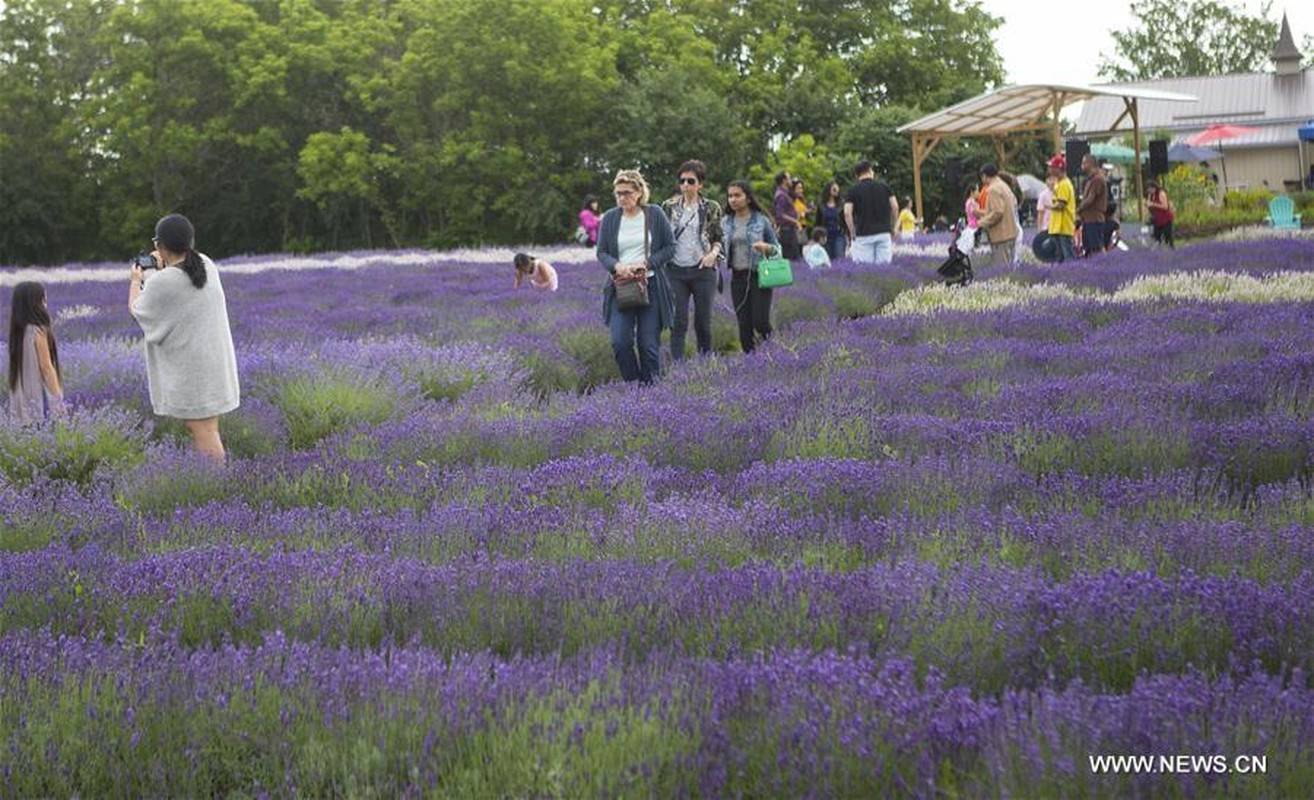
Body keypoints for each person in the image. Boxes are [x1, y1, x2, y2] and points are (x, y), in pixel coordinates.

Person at [129, 213, 240, 461]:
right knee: (207, 427)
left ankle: (218, 486)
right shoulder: (206, 265)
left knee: (202, 429)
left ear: (159, 246)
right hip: (213, 361)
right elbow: (180, 279)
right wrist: (163, 265)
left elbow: (137, 309)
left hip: (195, 369)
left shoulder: (164, 281)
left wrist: (137, 280)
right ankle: (217, 482)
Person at [596, 169, 675, 384]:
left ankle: (651, 393)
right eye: (618, 193)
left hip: (651, 285)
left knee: (648, 346)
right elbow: (601, 252)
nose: (622, 198)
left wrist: (647, 263)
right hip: (621, 287)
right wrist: (617, 265)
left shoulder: (654, 214)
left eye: (627, 193)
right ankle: (635, 390)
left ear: (639, 192)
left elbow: (670, 248)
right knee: (620, 343)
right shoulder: (611, 218)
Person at [660, 159, 724, 360]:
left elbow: (718, 238)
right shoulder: (668, 207)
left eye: (691, 181)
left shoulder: (711, 207)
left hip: (702, 270)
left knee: (703, 322)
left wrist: (712, 255)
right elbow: (661, 236)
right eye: (682, 181)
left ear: (700, 184)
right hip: (676, 270)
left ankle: (705, 363)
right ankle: (677, 366)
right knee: (678, 322)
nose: (686, 185)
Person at [722, 180, 780, 354]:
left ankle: (775, 355)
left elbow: (777, 249)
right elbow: (717, 246)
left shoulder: (761, 221)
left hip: (759, 275)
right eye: (730, 196)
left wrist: (767, 248)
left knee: (760, 322)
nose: (733, 199)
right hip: (737, 278)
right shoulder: (725, 222)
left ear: (748, 198)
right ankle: (752, 364)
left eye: (737, 195)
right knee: (744, 326)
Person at [7, 281, 64, 423]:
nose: (45, 304)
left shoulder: (17, 333)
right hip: (38, 394)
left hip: (20, 396)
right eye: (43, 299)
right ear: (35, 304)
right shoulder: (38, 331)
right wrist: (58, 398)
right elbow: (46, 367)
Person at [843, 160, 898, 264]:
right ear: (870, 171)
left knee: (865, 272)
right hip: (883, 233)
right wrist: (893, 227)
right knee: (884, 269)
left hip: (863, 235)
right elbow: (895, 207)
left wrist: (852, 232)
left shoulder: (853, 191)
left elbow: (847, 213)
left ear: (857, 175)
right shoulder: (884, 187)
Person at [976, 164, 1020, 267]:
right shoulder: (1003, 185)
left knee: (1001, 269)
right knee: (1008, 266)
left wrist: (981, 223)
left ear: (985, 176)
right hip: (1010, 233)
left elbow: (998, 212)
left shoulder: (993, 189)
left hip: (1001, 235)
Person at [1046, 155, 1077, 262]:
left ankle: (1072, 276)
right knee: (1060, 256)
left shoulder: (1064, 184)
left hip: (1063, 226)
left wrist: (1049, 207)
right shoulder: (1059, 183)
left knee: (1067, 256)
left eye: (1052, 167)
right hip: (1058, 227)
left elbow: (1061, 205)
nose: (1049, 169)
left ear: (1058, 169)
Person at [1076, 154, 1108, 257]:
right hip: (1088, 219)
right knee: (1089, 248)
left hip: (1094, 219)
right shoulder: (1091, 179)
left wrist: (1078, 210)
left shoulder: (1097, 179)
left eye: (1084, 163)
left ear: (1090, 164)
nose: (1082, 166)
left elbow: (1090, 200)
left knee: (1096, 247)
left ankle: (1103, 267)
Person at [773, 171, 802, 259]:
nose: (791, 181)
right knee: (791, 257)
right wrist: (795, 221)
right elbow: (780, 214)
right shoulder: (781, 195)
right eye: (789, 178)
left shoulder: (785, 194)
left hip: (789, 230)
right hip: (787, 231)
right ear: (784, 181)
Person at [816, 180, 847, 260]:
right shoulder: (821, 206)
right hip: (825, 236)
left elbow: (845, 220)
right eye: (834, 189)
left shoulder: (841, 205)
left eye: (837, 189)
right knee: (827, 259)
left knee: (839, 258)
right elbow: (818, 222)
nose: (837, 191)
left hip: (839, 235)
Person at [1146, 180, 1175, 249]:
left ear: (1154, 188)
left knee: (1168, 236)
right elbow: (1149, 204)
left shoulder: (1161, 193)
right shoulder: (1151, 195)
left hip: (1166, 218)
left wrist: (1154, 204)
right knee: (1156, 237)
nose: (1149, 191)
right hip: (1157, 219)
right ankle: (1158, 252)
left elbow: (1165, 206)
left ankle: (1172, 250)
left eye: (1150, 189)